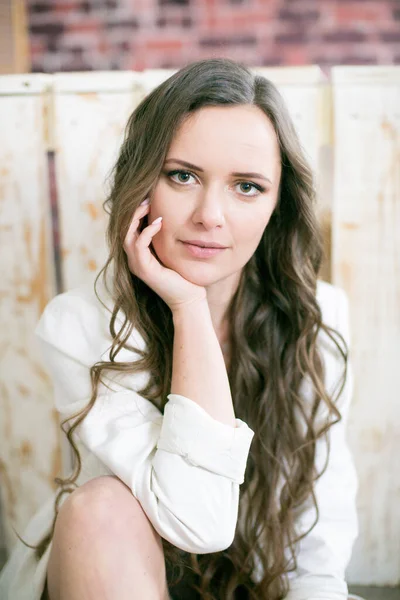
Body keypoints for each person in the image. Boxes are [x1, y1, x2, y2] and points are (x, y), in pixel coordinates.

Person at [0, 57, 358, 600]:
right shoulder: (79, 328)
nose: (210, 215)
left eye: (247, 186)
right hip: (121, 577)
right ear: (142, 183)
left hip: (251, 588)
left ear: (277, 206)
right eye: (183, 175)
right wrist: (189, 308)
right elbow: (198, 521)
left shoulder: (319, 315)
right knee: (99, 509)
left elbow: (319, 538)